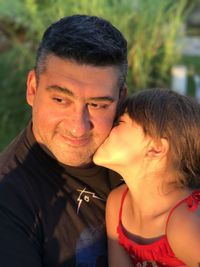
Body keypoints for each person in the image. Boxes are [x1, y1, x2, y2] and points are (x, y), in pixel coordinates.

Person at [0, 14, 128, 267]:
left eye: (97, 105)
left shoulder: (149, 147)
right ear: (32, 89)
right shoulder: (8, 201)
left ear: (121, 99)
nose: (78, 127)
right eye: (61, 100)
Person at [94, 88, 200, 267]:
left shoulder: (184, 222)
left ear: (156, 148)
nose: (108, 126)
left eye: (120, 122)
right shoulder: (117, 204)